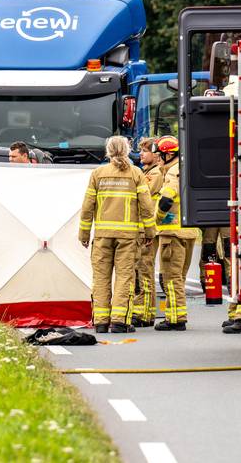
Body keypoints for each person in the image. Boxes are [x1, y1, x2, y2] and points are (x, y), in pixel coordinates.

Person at [79, 136, 156, 333]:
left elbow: (88, 206)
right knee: (124, 277)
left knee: (101, 278)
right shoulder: (136, 173)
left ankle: (101, 321)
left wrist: (84, 234)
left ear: (108, 151)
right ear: (127, 150)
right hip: (128, 237)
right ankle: (119, 321)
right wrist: (149, 232)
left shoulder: (98, 173)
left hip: (103, 236)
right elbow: (147, 206)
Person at [153, 135, 201, 331]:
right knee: (178, 278)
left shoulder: (173, 172)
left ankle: (176, 319)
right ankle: (174, 315)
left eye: (160, 155)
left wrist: (156, 219)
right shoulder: (186, 169)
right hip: (188, 233)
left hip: (172, 234)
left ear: (168, 154)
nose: (157, 158)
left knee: (171, 279)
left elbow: (166, 200)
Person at [131, 137, 166, 327]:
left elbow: (141, 196)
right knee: (142, 268)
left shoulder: (155, 174)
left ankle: (144, 313)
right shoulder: (148, 172)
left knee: (144, 269)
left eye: (145, 150)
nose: (141, 154)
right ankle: (147, 311)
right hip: (143, 228)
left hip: (146, 229)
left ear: (156, 154)